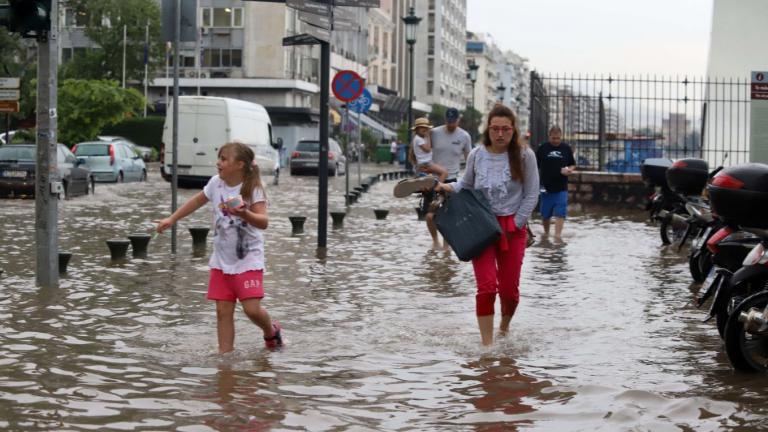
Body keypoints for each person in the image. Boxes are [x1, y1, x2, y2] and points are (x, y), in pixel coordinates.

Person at [155, 142, 282, 353]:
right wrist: (172, 218)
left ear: (240, 164)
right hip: (221, 261)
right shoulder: (216, 183)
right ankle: (225, 360)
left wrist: (244, 213)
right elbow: (197, 200)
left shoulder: (253, 188)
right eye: (219, 158)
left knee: (251, 310)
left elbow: (263, 222)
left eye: (224, 159)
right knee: (223, 311)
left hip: (248, 259)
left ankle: (271, 330)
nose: (218, 163)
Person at [435, 104, 539, 346]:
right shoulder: (477, 155)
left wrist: (517, 222)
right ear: (488, 130)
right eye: (495, 129)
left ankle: (504, 329)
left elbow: (532, 194)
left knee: (510, 291)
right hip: (481, 226)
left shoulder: (525, 156)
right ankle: (487, 346)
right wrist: (445, 187)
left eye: (505, 129)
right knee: (487, 287)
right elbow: (465, 184)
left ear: (513, 130)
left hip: (513, 227)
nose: (500, 134)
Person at [423, 107, 473, 249]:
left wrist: (470, 182)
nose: (451, 124)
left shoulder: (464, 136)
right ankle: (435, 241)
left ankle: (447, 247)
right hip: (433, 179)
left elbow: (470, 160)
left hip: (452, 181)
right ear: (445, 119)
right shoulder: (433, 133)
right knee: (430, 215)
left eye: (453, 121)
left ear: (458, 120)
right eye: (448, 121)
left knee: (449, 216)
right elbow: (423, 152)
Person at [536, 126, 575, 242]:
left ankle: (558, 236)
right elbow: (535, 166)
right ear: (549, 136)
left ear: (561, 137)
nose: (556, 141)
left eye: (558, 138)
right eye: (553, 138)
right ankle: (546, 233)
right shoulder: (542, 148)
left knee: (560, 212)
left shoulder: (566, 148)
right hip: (545, 187)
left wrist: (569, 170)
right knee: (545, 214)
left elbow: (572, 164)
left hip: (561, 187)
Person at [408, 117, 448, 182]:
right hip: (426, 163)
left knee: (429, 180)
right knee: (444, 173)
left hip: (425, 163)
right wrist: (428, 136)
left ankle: (420, 178)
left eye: (426, 128)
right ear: (417, 129)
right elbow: (428, 149)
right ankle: (438, 188)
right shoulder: (418, 139)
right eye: (422, 127)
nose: (424, 129)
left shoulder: (421, 138)